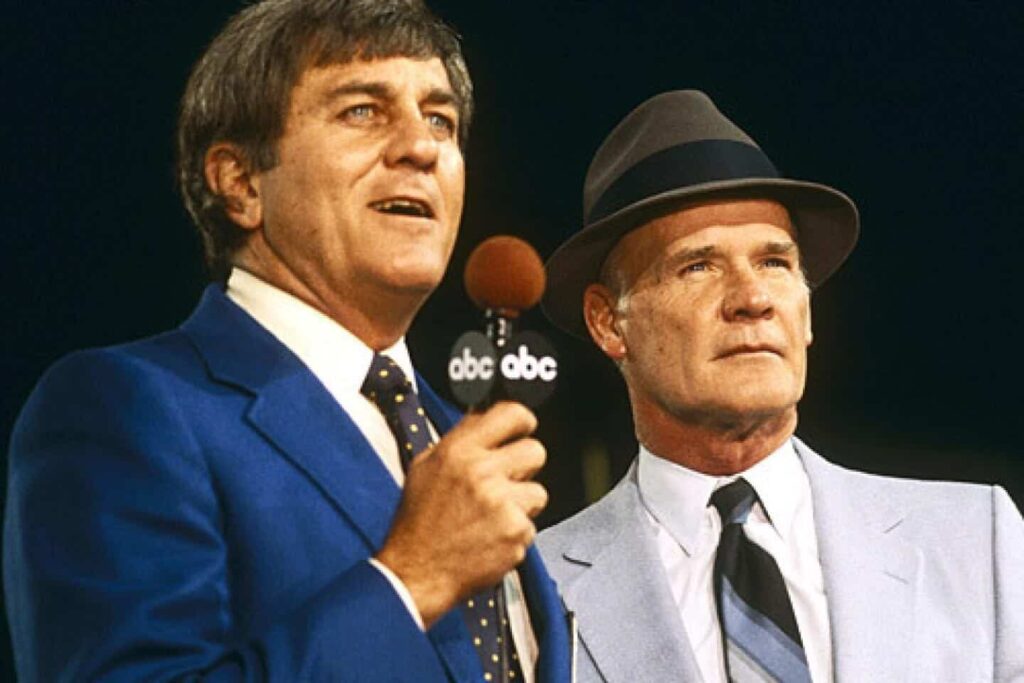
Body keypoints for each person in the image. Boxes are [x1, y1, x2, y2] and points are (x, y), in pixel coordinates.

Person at [3, 1, 571, 680]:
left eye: (440, 119)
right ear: (240, 183)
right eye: (363, 109)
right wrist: (410, 579)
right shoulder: (123, 409)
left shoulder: (452, 439)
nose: (421, 147)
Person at [536, 90, 1024, 682]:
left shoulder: (977, 541)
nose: (753, 299)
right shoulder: (533, 588)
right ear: (609, 321)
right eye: (699, 266)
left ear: (808, 312)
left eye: (775, 263)